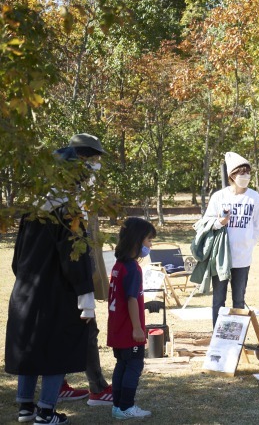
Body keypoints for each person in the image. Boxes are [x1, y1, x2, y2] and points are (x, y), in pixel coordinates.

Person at [5, 136, 100, 424]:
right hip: (57, 293)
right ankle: (46, 411)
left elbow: (16, 257)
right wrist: (85, 292)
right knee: (57, 351)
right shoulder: (68, 211)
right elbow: (74, 256)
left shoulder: (32, 209)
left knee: (31, 349)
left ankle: (25, 407)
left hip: (26, 290)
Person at [54, 134, 114, 407]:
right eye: (94, 158)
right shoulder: (66, 195)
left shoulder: (79, 191)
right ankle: (98, 388)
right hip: (71, 277)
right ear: (82, 158)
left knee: (69, 330)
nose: (97, 165)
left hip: (76, 274)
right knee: (87, 330)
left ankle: (58, 384)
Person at [204, 152, 259, 328]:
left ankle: (237, 337)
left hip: (242, 257)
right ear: (232, 175)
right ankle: (218, 335)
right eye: (241, 173)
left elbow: (258, 227)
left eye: (248, 173)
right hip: (221, 257)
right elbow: (206, 222)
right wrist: (219, 222)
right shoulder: (219, 197)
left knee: (239, 300)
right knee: (218, 299)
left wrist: (247, 244)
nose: (245, 176)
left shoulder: (254, 197)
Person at [107, 217, 157, 420]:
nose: (150, 245)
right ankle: (126, 406)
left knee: (122, 365)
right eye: (148, 240)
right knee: (134, 365)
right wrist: (137, 328)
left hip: (117, 327)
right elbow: (131, 299)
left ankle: (118, 406)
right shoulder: (133, 268)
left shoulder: (118, 264)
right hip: (128, 329)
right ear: (137, 241)